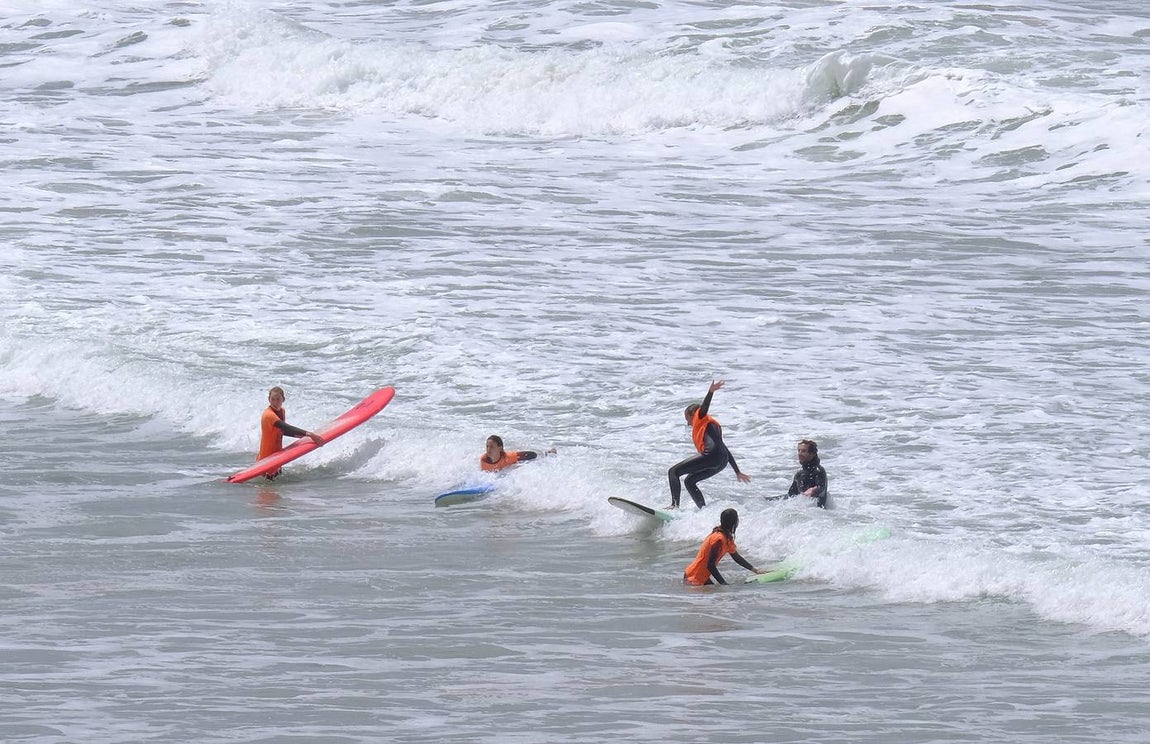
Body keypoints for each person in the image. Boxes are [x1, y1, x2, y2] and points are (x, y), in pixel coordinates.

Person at [667, 380, 750, 510]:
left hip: (711, 456)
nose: (688, 424)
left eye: (687, 419)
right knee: (689, 481)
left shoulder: (699, 416)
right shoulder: (710, 426)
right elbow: (725, 450)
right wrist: (737, 471)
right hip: (721, 461)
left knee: (673, 472)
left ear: (691, 414)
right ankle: (703, 510)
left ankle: (674, 506)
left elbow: (704, 407)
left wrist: (710, 392)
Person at [258, 386, 325, 480]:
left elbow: (282, 431)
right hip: (266, 459)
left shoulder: (282, 411)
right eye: (273, 399)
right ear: (269, 399)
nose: (275, 402)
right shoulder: (268, 415)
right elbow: (287, 428)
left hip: (277, 455)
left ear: (283, 399)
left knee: (276, 489)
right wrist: (309, 434)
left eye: (278, 399)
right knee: (268, 488)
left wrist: (307, 437)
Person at [683, 508, 764, 585]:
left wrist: (755, 570)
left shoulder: (727, 538)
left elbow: (736, 557)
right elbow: (710, 565)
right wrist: (723, 584)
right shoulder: (719, 539)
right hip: (694, 577)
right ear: (733, 522)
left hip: (702, 576)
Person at [786, 439, 828, 508]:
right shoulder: (799, 473)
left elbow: (821, 487)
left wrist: (813, 489)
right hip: (803, 513)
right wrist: (768, 499)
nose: (800, 454)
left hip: (819, 515)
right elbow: (790, 496)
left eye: (803, 451)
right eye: (799, 451)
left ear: (812, 454)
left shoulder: (819, 471)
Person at [480, 434, 555, 472]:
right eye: (487, 446)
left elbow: (530, 455)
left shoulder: (508, 457)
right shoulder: (484, 460)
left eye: (492, 447)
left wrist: (545, 454)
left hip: (516, 462)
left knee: (534, 456)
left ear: (500, 448)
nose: (488, 449)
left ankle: (548, 452)